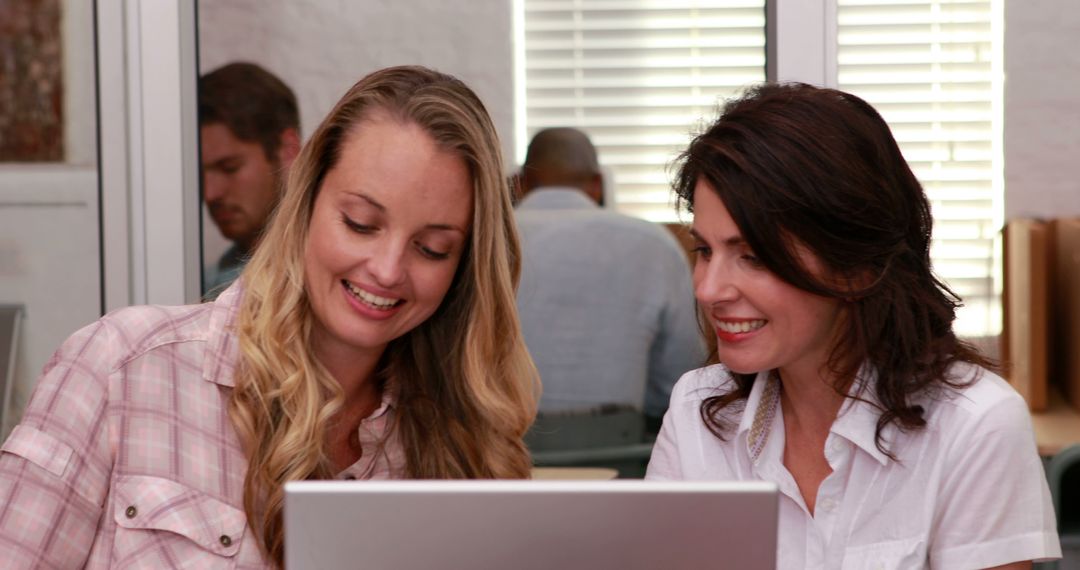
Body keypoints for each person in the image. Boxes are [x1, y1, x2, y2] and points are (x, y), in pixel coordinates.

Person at [0, 65, 539, 569]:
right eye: (360, 223)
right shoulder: (122, 369)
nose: (388, 269)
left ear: (464, 268)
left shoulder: (461, 443)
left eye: (432, 249)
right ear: (305, 202)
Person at [646, 83, 1061, 568]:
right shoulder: (697, 408)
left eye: (754, 256)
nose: (709, 289)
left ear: (857, 265)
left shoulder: (974, 423)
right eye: (705, 251)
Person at [515, 127, 704, 430]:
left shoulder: (484, 240)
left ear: (520, 183)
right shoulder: (654, 244)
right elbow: (679, 381)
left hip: (494, 462)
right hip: (623, 460)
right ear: (597, 184)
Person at [199, 62, 301, 296]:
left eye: (229, 168)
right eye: (199, 175)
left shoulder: (325, 278)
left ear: (288, 149)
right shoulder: (205, 284)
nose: (210, 193)